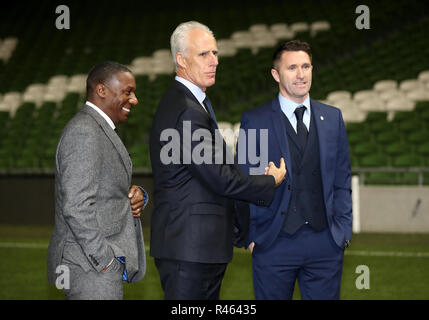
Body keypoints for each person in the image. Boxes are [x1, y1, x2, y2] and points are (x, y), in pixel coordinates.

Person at [149, 21, 286, 300]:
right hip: (190, 250)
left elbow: (210, 178)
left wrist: (238, 229)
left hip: (195, 247)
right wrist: (269, 181)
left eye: (215, 53)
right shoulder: (186, 109)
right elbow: (220, 178)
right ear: (181, 59)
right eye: (203, 54)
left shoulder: (188, 103)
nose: (214, 61)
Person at [237, 40, 352, 300]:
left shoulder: (333, 118)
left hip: (325, 243)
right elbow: (246, 182)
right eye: (292, 68)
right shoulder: (255, 120)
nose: (301, 74)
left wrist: (342, 230)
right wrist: (254, 236)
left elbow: (342, 179)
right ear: (276, 74)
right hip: (274, 242)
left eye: (306, 66)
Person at [47, 61, 149, 300]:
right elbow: (76, 206)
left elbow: (108, 190)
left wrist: (138, 195)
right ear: (101, 90)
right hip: (89, 268)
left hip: (94, 267)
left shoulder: (98, 128)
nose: (134, 100)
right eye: (127, 92)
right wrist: (105, 260)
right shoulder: (85, 131)